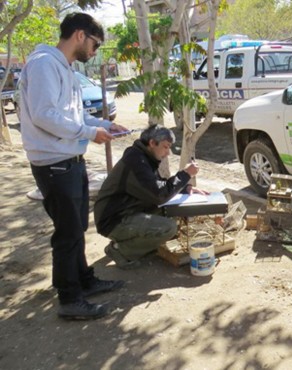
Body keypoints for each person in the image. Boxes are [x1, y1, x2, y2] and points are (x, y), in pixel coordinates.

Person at [19, 13, 128, 320]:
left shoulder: (62, 68)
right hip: (54, 163)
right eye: (95, 44)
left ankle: (83, 280)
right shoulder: (43, 64)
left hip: (69, 159)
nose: (94, 52)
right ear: (80, 35)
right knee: (67, 234)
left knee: (77, 228)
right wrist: (89, 133)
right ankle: (69, 299)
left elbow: (73, 115)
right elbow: (45, 116)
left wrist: (105, 124)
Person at [94, 125, 207, 269]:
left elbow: (158, 186)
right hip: (113, 220)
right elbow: (159, 194)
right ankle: (120, 250)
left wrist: (186, 188)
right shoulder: (136, 161)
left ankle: (137, 245)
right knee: (168, 228)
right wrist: (185, 174)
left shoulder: (143, 156)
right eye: (166, 147)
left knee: (173, 215)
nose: (168, 153)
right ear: (152, 143)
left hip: (128, 211)